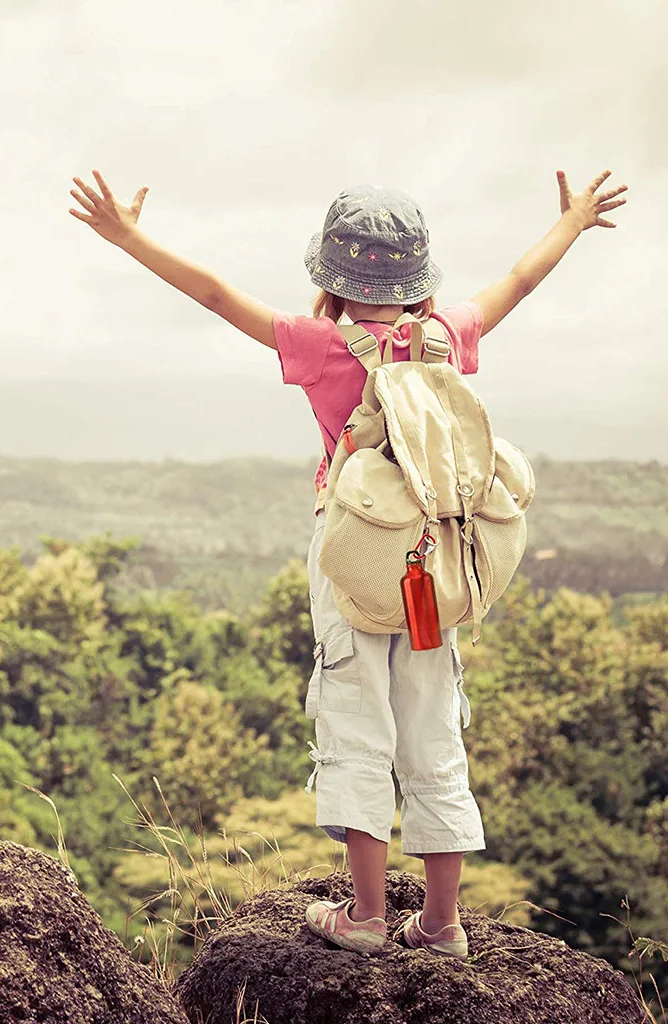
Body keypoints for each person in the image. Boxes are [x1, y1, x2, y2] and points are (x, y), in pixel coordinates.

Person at [68, 167, 628, 958]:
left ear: (329, 275)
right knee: (434, 724)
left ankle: (365, 916)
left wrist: (127, 237)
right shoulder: (447, 335)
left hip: (356, 559)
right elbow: (520, 282)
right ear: (419, 274)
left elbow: (217, 297)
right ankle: (441, 924)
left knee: (354, 716)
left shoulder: (322, 344)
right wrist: (572, 220)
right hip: (435, 564)